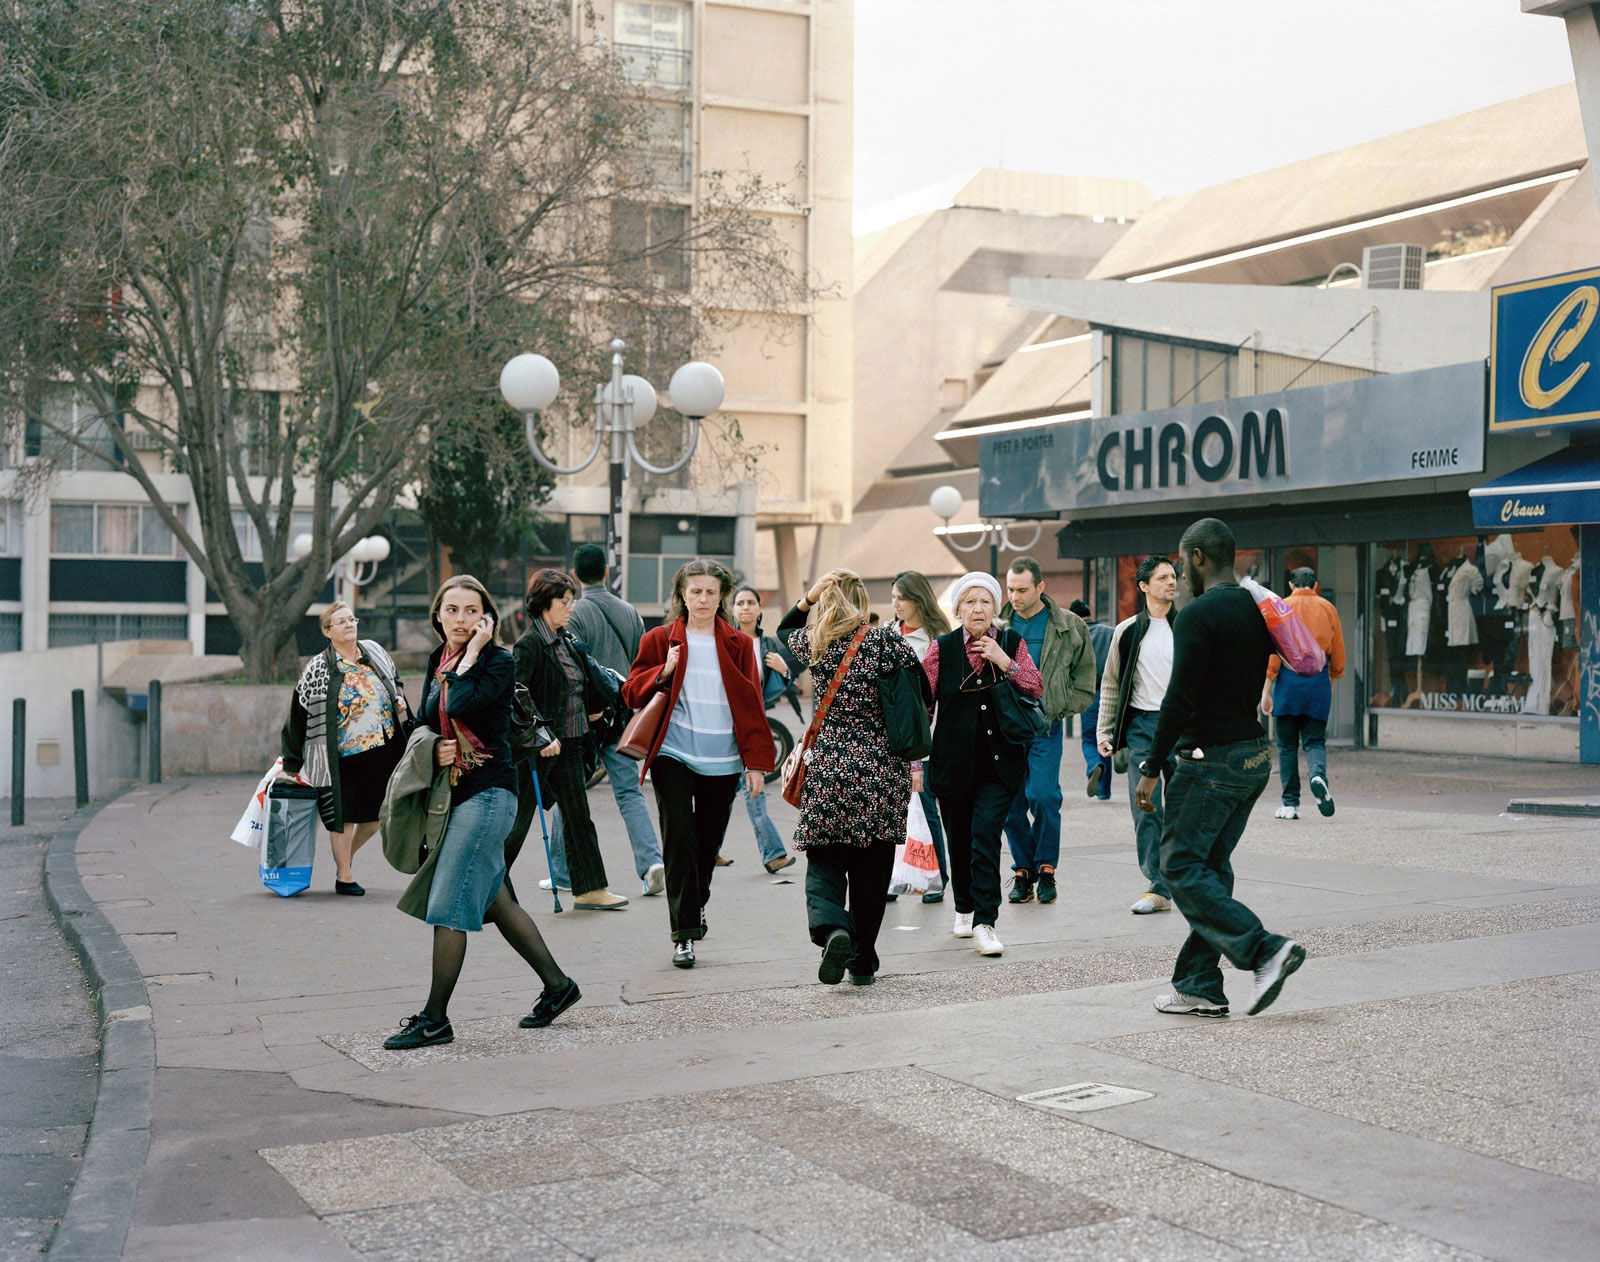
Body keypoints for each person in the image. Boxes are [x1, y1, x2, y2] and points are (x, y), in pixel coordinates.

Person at [383, 575, 580, 1050]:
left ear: (486, 618)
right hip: (456, 794)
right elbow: (429, 715)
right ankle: (558, 987)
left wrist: (471, 657)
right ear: (438, 616)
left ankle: (435, 1019)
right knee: (494, 899)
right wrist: (434, 748)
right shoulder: (438, 660)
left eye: (471, 611)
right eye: (452, 610)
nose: (461, 619)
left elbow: (466, 702)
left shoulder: (498, 661)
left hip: (489, 795)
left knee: (449, 905)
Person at [1135, 518, 1305, 1019]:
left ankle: (1264, 950)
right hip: (1252, 755)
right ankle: (1200, 984)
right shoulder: (1257, 609)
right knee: (1209, 868)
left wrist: (1150, 766)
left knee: (1179, 865)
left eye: (1182, 560)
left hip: (1209, 761)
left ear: (1199, 557)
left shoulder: (1197, 614)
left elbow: (1180, 698)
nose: (1180, 571)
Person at [621, 560, 776, 969]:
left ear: (721, 596)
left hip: (723, 760)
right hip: (673, 755)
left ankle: (696, 901)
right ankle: (683, 934)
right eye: (695, 592)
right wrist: (663, 670)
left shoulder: (739, 644)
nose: (703, 599)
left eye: (710, 592)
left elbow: (752, 706)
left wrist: (756, 764)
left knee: (707, 845)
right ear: (682, 595)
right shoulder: (659, 640)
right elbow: (630, 692)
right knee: (678, 840)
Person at [777, 570, 920, 984]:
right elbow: (920, 693)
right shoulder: (887, 643)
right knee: (872, 872)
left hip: (829, 769)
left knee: (824, 862)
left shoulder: (816, 644)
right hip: (879, 770)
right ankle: (861, 960)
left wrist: (809, 596)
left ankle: (833, 929)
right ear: (863, 605)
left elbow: (786, 628)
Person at [922, 571, 1044, 958]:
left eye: (986, 601)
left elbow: (1035, 686)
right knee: (959, 837)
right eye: (970, 602)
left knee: (986, 834)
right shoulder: (941, 649)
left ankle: (985, 922)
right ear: (958, 609)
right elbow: (924, 702)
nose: (978, 608)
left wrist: (1005, 661)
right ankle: (963, 907)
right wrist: (912, 759)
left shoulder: (1009, 641)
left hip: (1000, 763)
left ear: (996, 608)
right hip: (953, 762)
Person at [534, 544, 665, 897]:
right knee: (629, 792)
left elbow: (571, 666)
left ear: (575, 575)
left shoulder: (573, 612)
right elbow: (641, 667)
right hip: (622, 715)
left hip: (585, 718)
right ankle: (651, 862)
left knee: (569, 792)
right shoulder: (629, 612)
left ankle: (562, 871)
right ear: (607, 572)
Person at [508, 568, 630, 911]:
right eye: (565, 602)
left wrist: (592, 709)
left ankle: (589, 889)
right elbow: (517, 694)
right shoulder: (530, 644)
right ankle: (489, 887)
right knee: (518, 821)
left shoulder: (566, 640)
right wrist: (539, 732)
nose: (571, 608)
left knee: (578, 816)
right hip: (542, 748)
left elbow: (578, 683)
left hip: (572, 744)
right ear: (545, 604)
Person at [282, 601, 408, 896]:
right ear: (328, 631)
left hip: (382, 747)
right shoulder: (319, 667)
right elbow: (298, 712)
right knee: (344, 816)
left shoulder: (373, 651)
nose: (350, 624)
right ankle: (345, 876)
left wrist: (397, 698)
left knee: (376, 818)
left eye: (352, 619)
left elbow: (394, 681)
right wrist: (291, 762)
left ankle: (344, 859)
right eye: (341, 621)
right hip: (340, 755)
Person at [999, 559, 1096, 906]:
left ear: (1041, 587)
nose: (1015, 596)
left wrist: (1056, 707)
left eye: (1022, 589)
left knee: (1043, 797)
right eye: (1010, 589)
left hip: (1045, 726)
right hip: (1006, 730)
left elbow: (1085, 680)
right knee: (1010, 804)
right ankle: (1023, 870)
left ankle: (1046, 868)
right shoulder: (998, 626)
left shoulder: (1068, 626)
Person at [1098, 558, 1179, 916]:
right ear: (1144, 585)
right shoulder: (1128, 630)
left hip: (1184, 726)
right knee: (1145, 807)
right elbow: (1113, 683)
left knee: (1185, 806)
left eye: (1173, 576)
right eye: (1162, 578)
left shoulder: (1188, 626)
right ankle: (1158, 886)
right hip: (1143, 725)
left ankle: (1185, 877)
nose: (1170, 583)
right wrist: (1105, 731)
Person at [1261, 567, 1346, 820]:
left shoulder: (1281, 607)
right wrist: (1330, 683)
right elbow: (1338, 653)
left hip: (1287, 684)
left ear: (1290, 584)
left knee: (1286, 746)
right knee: (1315, 741)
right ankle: (1318, 775)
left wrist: (1267, 691)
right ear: (1316, 585)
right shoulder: (1328, 608)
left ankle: (1290, 804)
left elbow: (1273, 653)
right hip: (1317, 682)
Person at [889, 570, 952, 903]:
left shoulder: (937, 639)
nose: (895, 603)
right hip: (889, 737)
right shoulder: (887, 634)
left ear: (918, 599)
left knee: (926, 807)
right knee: (890, 810)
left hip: (926, 736)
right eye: (894, 597)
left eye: (901, 597)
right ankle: (895, 877)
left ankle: (935, 876)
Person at [731, 585, 799, 874]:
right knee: (731, 791)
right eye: (740, 603)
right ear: (733, 610)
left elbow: (775, 688)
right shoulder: (726, 641)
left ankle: (772, 854)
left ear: (759, 609)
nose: (746, 607)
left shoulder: (767, 645)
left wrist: (784, 669)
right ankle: (711, 850)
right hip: (726, 724)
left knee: (751, 788)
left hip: (754, 726)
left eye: (750, 602)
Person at [1070, 599, 1113, 801]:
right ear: (1089, 613)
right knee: (1106, 739)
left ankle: (1094, 766)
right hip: (1111, 693)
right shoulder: (1109, 632)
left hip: (1088, 695)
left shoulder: (1075, 635)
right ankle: (1104, 791)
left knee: (1089, 738)